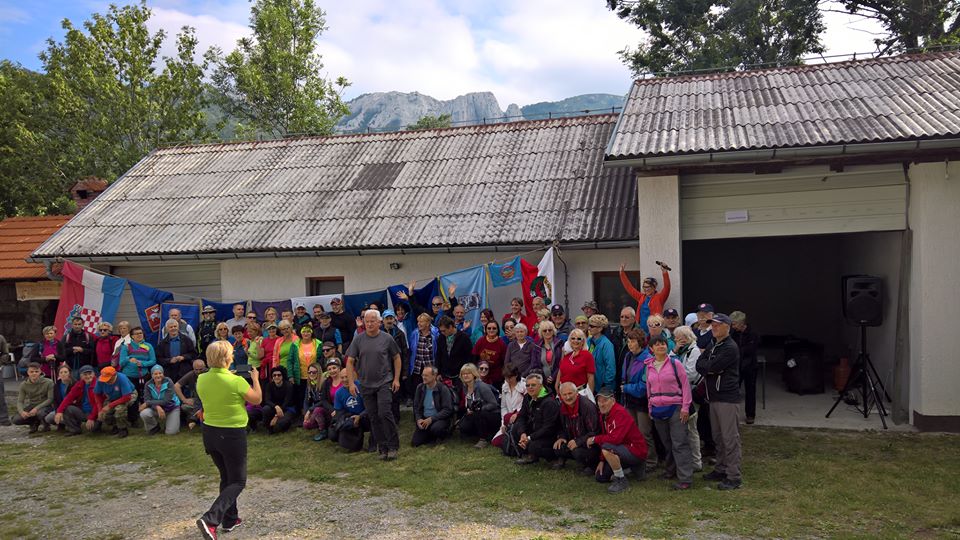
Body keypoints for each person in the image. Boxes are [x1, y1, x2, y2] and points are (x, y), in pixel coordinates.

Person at [195, 340, 262, 539]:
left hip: (210, 432)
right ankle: (210, 519)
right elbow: (257, 399)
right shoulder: (236, 381)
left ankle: (230, 519)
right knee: (238, 481)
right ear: (227, 358)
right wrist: (255, 379)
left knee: (227, 477)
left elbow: (217, 387)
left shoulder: (201, 379)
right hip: (231, 433)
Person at [345, 309, 402, 460]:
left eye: (372, 321)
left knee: (384, 412)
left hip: (384, 381)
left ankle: (393, 446)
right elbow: (350, 361)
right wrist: (351, 383)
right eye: (367, 321)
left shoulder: (387, 338)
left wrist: (396, 379)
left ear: (379, 322)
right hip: (365, 384)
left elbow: (397, 357)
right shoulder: (358, 339)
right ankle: (382, 448)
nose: (369, 324)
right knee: (373, 417)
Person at [697, 313, 743, 490]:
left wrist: (709, 367)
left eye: (717, 324)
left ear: (727, 327)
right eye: (712, 324)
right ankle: (721, 468)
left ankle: (733, 476)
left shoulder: (730, 347)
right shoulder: (714, 344)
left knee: (730, 438)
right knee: (718, 437)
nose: (714, 327)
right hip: (713, 397)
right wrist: (709, 367)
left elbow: (712, 366)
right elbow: (700, 365)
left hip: (727, 398)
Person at [644, 336, 694, 490]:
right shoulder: (649, 366)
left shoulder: (675, 363)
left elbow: (685, 385)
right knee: (667, 443)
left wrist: (685, 407)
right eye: (657, 345)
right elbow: (649, 389)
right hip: (658, 409)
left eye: (663, 344)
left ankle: (685, 478)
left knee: (680, 442)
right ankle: (670, 470)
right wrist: (650, 408)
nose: (661, 347)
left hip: (675, 407)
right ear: (651, 349)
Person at [587, 389, 648, 493]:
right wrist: (602, 460)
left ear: (613, 401)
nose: (601, 404)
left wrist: (594, 439)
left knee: (607, 447)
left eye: (605, 400)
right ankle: (632, 469)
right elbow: (606, 436)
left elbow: (615, 439)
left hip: (636, 450)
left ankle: (621, 479)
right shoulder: (604, 415)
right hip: (622, 449)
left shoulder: (620, 412)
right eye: (599, 401)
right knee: (600, 476)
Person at [620, 330, 658, 473]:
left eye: (633, 341)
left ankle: (651, 461)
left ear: (640, 342)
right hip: (629, 400)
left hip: (642, 401)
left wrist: (626, 388)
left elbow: (644, 386)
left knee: (644, 432)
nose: (630, 344)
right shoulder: (628, 356)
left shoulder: (647, 359)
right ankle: (636, 458)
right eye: (628, 341)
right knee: (633, 432)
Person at [553, 381, 602, 473]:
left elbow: (595, 431)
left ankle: (592, 465)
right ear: (561, 396)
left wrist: (579, 441)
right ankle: (564, 458)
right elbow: (560, 426)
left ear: (576, 393)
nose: (568, 397)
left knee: (578, 452)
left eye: (570, 393)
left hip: (590, 444)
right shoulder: (562, 406)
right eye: (564, 394)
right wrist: (561, 437)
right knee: (557, 446)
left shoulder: (587, 406)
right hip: (573, 440)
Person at [513, 373, 560, 465]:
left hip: (549, 436)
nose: (530, 387)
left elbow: (548, 428)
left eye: (533, 385)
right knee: (516, 428)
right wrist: (523, 433)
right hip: (534, 431)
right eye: (528, 385)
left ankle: (553, 458)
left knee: (533, 446)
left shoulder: (549, 402)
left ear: (541, 386)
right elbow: (521, 416)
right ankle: (529, 454)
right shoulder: (527, 397)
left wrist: (529, 438)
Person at [673, 326, 703, 471]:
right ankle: (687, 459)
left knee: (691, 429)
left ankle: (696, 461)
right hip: (681, 393)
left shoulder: (694, 351)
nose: (676, 340)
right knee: (684, 429)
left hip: (690, 394)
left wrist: (674, 374)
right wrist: (675, 350)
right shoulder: (682, 351)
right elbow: (669, 362)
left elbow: (690, 374)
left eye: (678, 338)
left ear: (685, 338)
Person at [118, 326, 156, 424]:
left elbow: (153, 360)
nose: (139, 335)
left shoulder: (148, 346)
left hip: (144, 376)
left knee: (144, 396)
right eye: (137, 333)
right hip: (129, 377)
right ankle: (133, 419)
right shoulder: (126, 347)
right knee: (132, 398)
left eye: (141, 333)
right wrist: (129, 358)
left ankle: (145, 417)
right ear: (132, 336)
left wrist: (142, 364)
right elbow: (121, 362)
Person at [619, 261, 672, 330]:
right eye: (644, 287)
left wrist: (664, 272)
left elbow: (667, 287)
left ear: (654, 287)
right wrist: (622, 273)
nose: (646, 289)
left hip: (653, 330)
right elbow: (629, 288)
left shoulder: (659, 298)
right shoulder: (641, 297)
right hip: (640, 330)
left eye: (648, 287)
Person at [456, 363, 499, 448]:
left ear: (474, 374)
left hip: (493, 414)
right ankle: (484, 433)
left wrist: (480, 409)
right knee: (463, 427)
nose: (465, 375)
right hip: (476, 413)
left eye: (468, 373)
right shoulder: (465, 387)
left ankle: (483, 439)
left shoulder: (482, 386)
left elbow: (494, 404)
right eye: (463, 374)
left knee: (479, 414)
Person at [411, 366, 454, 446]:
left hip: (439, 419)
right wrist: (418, 419)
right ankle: (431, 435)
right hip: (425, 418)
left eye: (426, 375)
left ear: (434, 376)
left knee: (436, 428)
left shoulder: (443, 388)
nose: (423, 377)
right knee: (415, 443)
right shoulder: (420, 388)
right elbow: (416, 407)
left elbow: (448, 409)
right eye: (423, 375)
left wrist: (431, 419)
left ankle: (443, 434)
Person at [331, 370, 371, 452]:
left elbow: (371, 406)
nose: (345, 380)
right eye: (342, 377)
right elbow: (339, 411)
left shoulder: (361, 386)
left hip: (366, 415)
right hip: (351, 417)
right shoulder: (339, 393)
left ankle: (373, 443)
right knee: (332, 435)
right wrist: (344, 420)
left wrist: (360, 416)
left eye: (347, 377)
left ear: (352, 376)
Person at [53, 365, 99, 436]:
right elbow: (69, 397)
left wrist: (91, 418)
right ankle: (74, 429)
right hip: (83, 411)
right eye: (85, 374)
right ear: (81, 376)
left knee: (93, 430)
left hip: (96, 412)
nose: (88, 376)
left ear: (94, 374)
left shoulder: (98, 384)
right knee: (67, 408)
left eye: (90, 374)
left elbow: (98, 404)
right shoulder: (79, 384)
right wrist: (59, 411)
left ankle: (98, 423)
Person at [730, 311, 759, 424]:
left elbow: (750, 351)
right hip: (737, 367)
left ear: (741, 323)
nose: (733, 326)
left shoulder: (753, 335)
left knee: (750, 391)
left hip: (750, 367)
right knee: (733, 390)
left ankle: (750, 415)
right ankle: (731, 413)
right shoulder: (734, 334)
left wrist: (738, 352)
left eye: (734, 324)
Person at [94, 366, 137, 438]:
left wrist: (110, 405)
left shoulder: (122, 378)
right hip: (112, 396)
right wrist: (100, 409)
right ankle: (115, 426)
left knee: (119, 409)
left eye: (108, 379)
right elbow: (97, 394)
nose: (106, 381)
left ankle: (123, 429)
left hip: (128, 395)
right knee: (105, 414)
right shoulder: (100, 380)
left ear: (114, 375)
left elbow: (127, 397)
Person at [139, 364, 181, 436]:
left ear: (163, 374)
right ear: (152, 375)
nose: (158, 376)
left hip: (172, 407)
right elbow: (147, 399)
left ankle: (170, 423)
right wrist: (157, 406)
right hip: (156, 408)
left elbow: (166, 401)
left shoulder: (169, 382)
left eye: (160, 373)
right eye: (155, 374)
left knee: (171, 433)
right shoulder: (148, 384)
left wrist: (148, 403)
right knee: (144, 413)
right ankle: (154, 427)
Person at [14, 362, 54, 433]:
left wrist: (36, 408)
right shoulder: (23, 385)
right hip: (32, 405)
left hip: (46, 406)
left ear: (40, 372)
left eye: (36, 371)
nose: (34, 373)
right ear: (28, 372)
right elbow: (20, 401)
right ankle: (33, 423)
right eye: (31, 372)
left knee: (40, 413)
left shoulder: (49, 382)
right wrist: (22, 411)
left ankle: (46, 424)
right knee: (16, 419)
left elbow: (50, 399)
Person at [555, 329, 595, 399]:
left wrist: (590, 395)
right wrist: (556, 384)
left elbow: (591, 377)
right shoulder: (567, 355)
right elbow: (560, 370)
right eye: (573, 338)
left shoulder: (587, 355)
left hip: (579, 393)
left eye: (579, 339)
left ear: (583, 341)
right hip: (563, 393)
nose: (575, 341)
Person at [288, 325, 321, 411]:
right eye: (304, 332)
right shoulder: (295, 344)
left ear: (312, 332)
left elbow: (321, 359)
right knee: (301, 396)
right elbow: (290, 360)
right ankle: (302, 412)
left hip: (314, 375)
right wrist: (290, 375)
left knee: (314, 395)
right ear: (301, 333)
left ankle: (313, 411)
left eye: (308, 331)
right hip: (300, 376)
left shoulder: (318, 343)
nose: (306, 334)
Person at [406, 313, 438, 399]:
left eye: (421, 322)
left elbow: (437, 351)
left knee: (430, 389)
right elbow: (411, 350)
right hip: (417, 367)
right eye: (418, 322)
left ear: (428, 323)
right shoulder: (414, 333)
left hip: (430, 366)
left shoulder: (435, 334)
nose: (419, 324)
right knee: (417, 390)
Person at [492, 365, 525, 448]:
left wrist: (517, 413)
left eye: (510, 378)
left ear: (516, 375)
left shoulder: (524, 386)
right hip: (508, 419)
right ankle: (510, 437)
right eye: (506, 378)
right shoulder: (505, 386)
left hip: (521, 417)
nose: (508, 380)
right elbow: (503, 407)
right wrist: (503, 424)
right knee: (495, 442)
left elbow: (527, 406)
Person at [436, 316, 473, 386]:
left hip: (459, 376)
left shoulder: (464, 338)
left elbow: (469, 358)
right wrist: (438, 373)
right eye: (441, 331)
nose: (442, 333)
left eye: (444, 330)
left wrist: (464, 373)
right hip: (444, 375)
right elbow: (439, 355)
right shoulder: (441, 337)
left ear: (450, 327)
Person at [258, 366, 296, 434]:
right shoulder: (269, 385)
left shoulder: (289, 386)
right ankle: (268, 427)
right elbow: (267, 400)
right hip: (275, 408)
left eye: (279, 375)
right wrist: (276, 406)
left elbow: (287, 402)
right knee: (266, 409)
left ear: (283, 376)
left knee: (279, 426)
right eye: (274, 375)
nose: (276, 377)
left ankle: (281, 425)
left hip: (287, 409)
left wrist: (276, 416)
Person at [611, 307, 643, 387]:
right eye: (622, 317)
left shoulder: (639, 333)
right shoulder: (616, 331)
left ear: (633, 319)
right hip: (616, 371)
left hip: (631, 373)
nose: (623, 319)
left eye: (627, 317)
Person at [311, 358, 342, 441]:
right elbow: (323, 400)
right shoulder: (326, 383)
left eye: (334, 368)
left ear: (339, 368)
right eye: (329, 369)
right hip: (331, 410)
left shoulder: (345, 380)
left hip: (343, 410)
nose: (332, 371)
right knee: (317, 411)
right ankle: (323, 431)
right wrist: (332, 409)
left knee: (335, 437)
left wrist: (338, 410)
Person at [471, 320, 507, 387]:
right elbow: (474, 358)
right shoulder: (481, 341)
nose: (491, 330)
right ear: (485, 330)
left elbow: (504, 362)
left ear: (497, 330)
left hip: (495, 379)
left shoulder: (502, 344)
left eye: (494, 328)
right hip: (481, 376)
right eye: (489, 328)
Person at [175, 359, 208, 430]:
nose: (198, 372)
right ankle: (194, 419)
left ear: (205, 367)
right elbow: (176, 386)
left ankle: (195, 419)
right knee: (185, 407)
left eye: (201, 369)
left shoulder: (209, 374)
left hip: (209, 400)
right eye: (196, 370)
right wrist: (184, 400)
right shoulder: (191, 374)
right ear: (193, 369)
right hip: (197, 399)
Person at [587, 315, 615, 396]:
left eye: (592, 326)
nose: (589, 328)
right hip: (590, 383)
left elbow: (610, 368)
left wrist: (605, 384)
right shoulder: (589, 341)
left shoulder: (607, 344)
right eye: (589, 325)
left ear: (600, 328)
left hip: (602, 386)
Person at [43, 364, 75, 431]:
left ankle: (73, 424)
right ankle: (61, 424)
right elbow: (55, 401)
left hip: (70, 409)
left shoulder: (74, 383)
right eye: (61, 372)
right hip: (60, 408)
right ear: (58, 374)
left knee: (67, 414)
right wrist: (58, 411)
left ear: (69, 373)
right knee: (48, 418)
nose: (63, 374)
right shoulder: (56, 385)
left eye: (65, 372)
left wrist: (62, 411)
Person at [534, 320, 563, 390]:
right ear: (541, 332)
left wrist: (553, 376)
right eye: (544, 330)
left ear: (553, 331)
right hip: (543, 380)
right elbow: (535, 364)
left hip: (558, 379)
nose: (547, 332)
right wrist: (544, 378)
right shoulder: (537, 346)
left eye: (550, 330)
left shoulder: (559, 344)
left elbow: (561, 362)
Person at [273, 321, 300, 386]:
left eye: (287, 328)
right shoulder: (278, 341)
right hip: (281, 371)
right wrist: (274, 370)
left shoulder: (297, 339)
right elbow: (274, 357)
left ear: (291, 328)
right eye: (283, 329)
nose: (285, 331)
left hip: (293, 370)